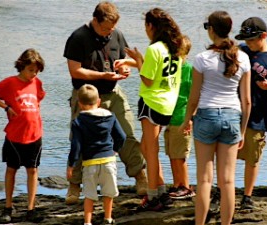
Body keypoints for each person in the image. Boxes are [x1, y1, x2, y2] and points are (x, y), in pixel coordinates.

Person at [63, 1, 147, 204]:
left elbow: (126, 61)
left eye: (112, 27)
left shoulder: (116, 34)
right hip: (87, 95)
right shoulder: (78, 37)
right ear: (95, 20)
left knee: (128, 135)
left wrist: (123, 69)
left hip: (113, 92)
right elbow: (75, 70)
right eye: (106, 28)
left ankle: (140, 177)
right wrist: (102, 76)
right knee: (80, 138)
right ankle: (74, 185)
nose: (110, 31)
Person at [180, 11, 251, 225]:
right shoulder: (243, 57)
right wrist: (243, 132)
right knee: (227, 181)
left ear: (211, 30)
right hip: (232, 118)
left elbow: (193, 99)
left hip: (206, 116)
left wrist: (186, 121)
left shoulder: (202, 59)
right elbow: (247, 101)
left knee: (204, 179)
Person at [115, 7, 184, 211]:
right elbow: (158, 71)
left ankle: (153, 196)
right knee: (145, 148)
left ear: (151, 26)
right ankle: (162, 190)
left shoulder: (154, 48)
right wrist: (136, 61)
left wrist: (137, 60)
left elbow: (148, 78)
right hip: (167, 103)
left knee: (151, 151)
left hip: (152, 102)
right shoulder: (173, 48)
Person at [234, 17, 267, 210]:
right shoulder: (242, 50)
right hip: (235, 111)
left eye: (251, 40)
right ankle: (226, 190)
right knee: (228, 154)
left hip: (258, 116)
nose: (248, 43)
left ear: (263, 36)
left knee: (252, 157)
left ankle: (247, 196)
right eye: (246, 40)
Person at [0, 48, 46, 223]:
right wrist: (6, 107)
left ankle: (31, 209)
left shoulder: (36, 83)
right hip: (14, 136)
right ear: (21, 66)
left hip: (35, 134)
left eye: (36, 71)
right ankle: (8, 207)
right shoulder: (9, 83)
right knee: (11, 169)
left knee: (32, 170)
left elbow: (38, 99)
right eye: (31, 70)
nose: (34, 74)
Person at [67, 84, 126, 225]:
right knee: (108, 192)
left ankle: (87, 222)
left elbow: (76, 146)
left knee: (89, 195)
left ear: (79, 104)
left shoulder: (78, 121)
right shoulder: (110, 116)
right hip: (109, 161)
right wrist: (115, 150)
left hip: (90, 164)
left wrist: (71, 165)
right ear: (98, 101)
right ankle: (108, 218)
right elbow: (122, 136)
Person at [163, 35, 196, 200]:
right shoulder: (170, 68)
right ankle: (177, 184)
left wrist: (191, 118)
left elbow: (194, 95)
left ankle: (186, 186)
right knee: (171, 153)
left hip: (182, 116)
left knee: (180, 155)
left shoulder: (189, 69)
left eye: (180, 51)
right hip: (170, 116)